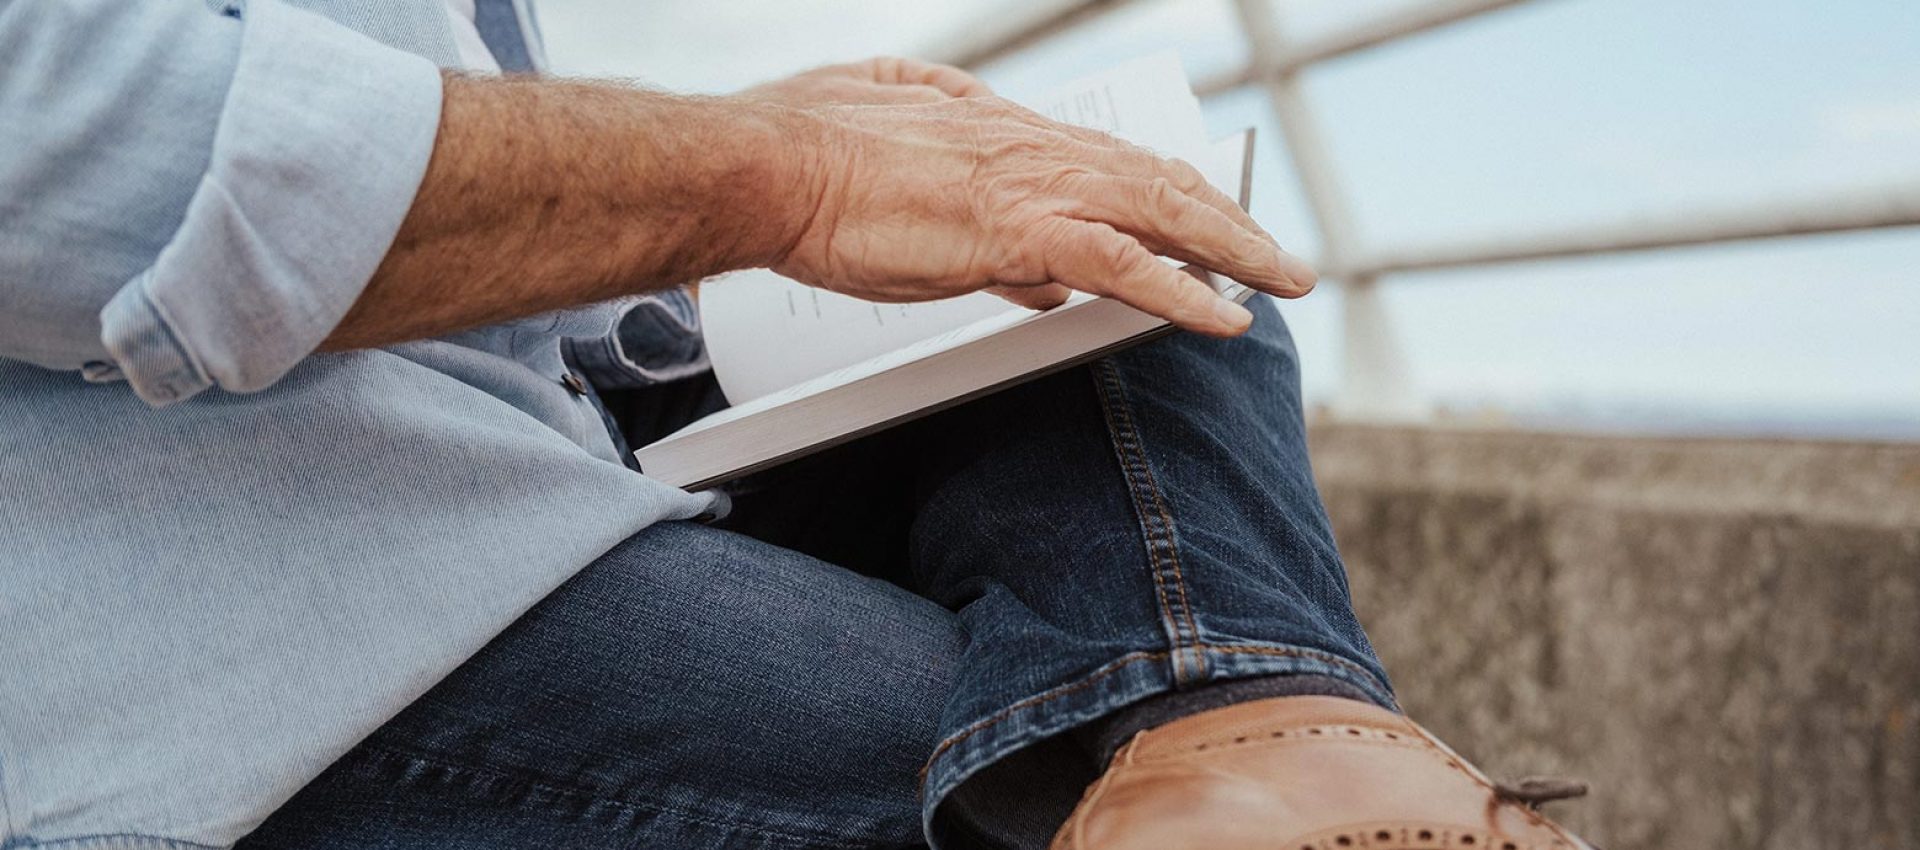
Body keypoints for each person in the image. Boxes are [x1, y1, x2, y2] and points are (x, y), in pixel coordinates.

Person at [0, 1, 1591, 849]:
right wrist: (776, 175)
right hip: (236, 634)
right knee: (1024, 768)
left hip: (475, 439)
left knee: (1126, 259)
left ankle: (1259, 740)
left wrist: (761, 202)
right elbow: (76, 153)